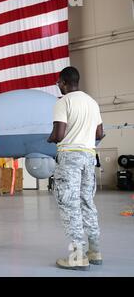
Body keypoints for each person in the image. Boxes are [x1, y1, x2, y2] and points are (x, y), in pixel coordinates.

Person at [48, 66, 105, 271]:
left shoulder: (63, 102)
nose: (59, 86)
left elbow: (59, 134)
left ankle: (77, 256)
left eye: (59, 83)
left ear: (63, 82)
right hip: (89, 158)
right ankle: (95, 251)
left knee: (69, 206)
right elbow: (100, 133)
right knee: (87, 203)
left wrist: (49, 138)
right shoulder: (92, 102)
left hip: (70, 158)